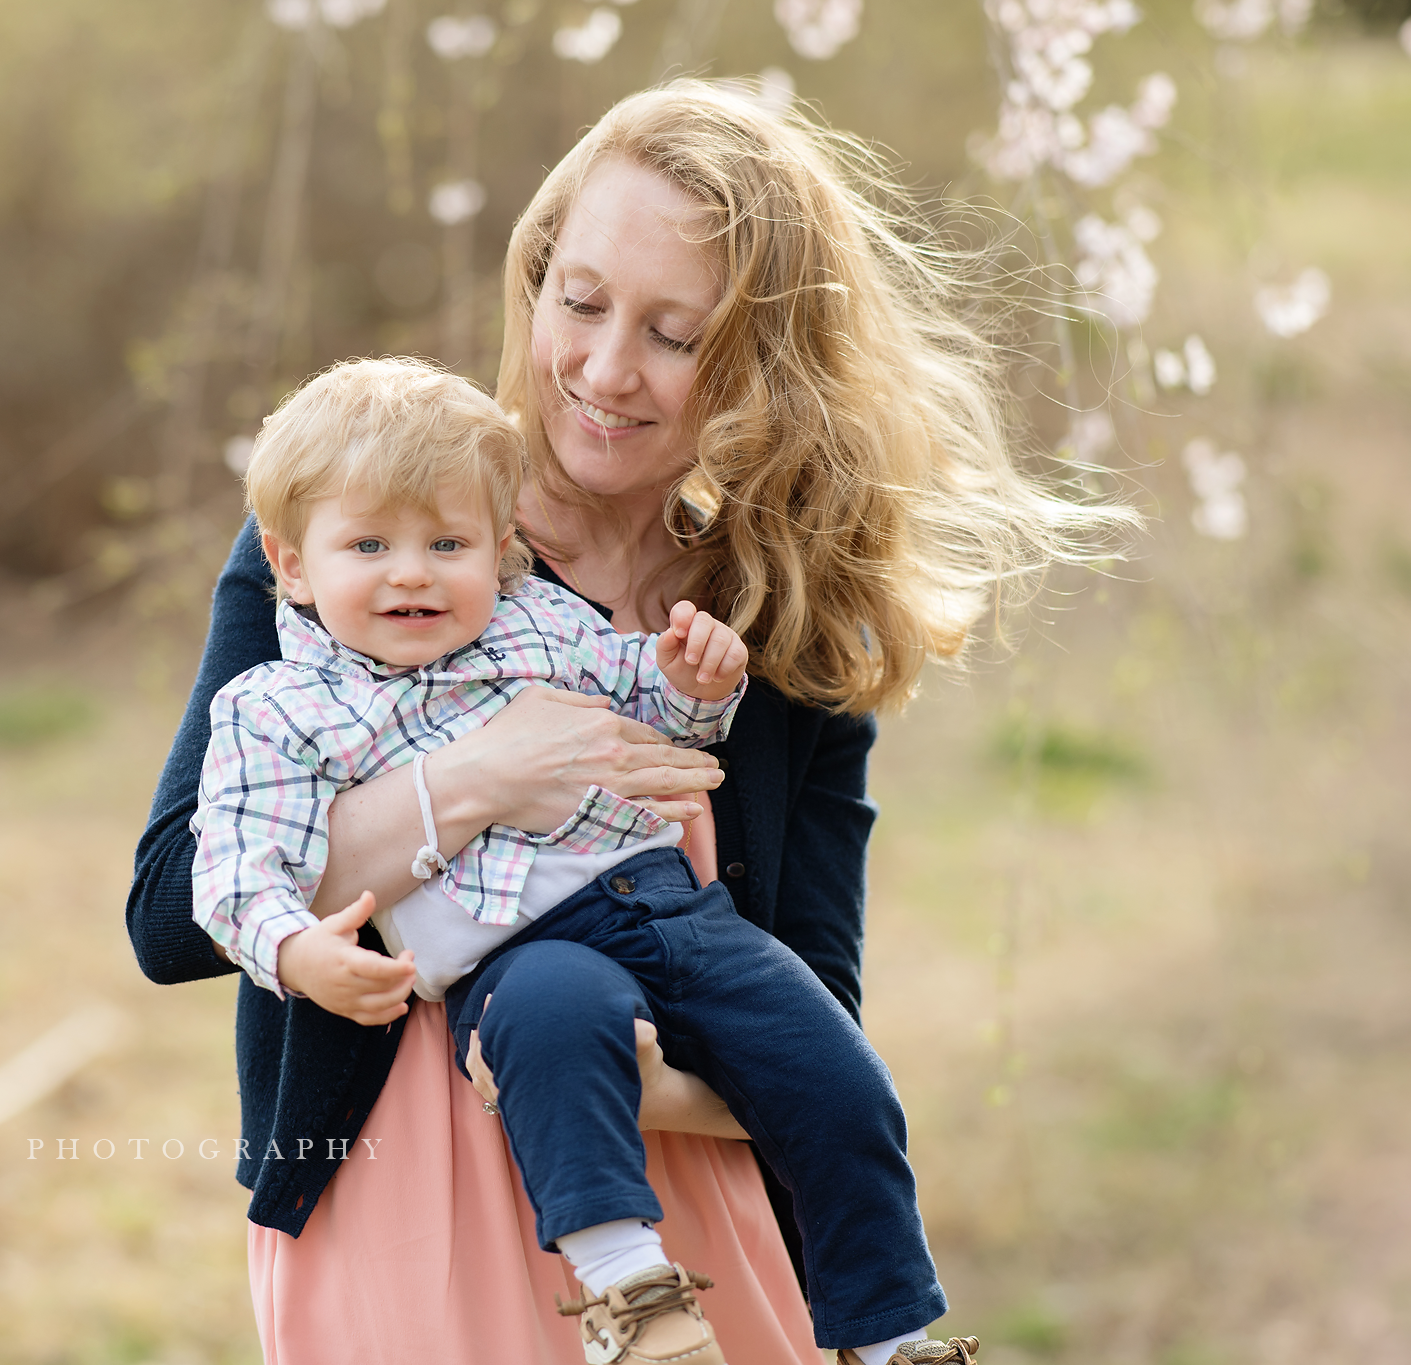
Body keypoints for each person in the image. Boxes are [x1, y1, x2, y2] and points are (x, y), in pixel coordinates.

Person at [128, 81, 1113, 1365]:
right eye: (580, 302)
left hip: (685, 1242)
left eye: (673, 334)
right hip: (394, 1214)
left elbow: (815, 1012)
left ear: (762, 360)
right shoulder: (357, 549)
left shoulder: (779, 630)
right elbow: (169, 911)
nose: (603, 369)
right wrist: (475, 779)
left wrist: (624, 1082)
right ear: (532, 284)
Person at [191, 355, 977, 1365]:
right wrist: (297, 953)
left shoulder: (542, 622)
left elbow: (651, 710)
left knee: (835, 1071)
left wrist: (695, 687)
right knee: (555, 1025)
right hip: (519, 948)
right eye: (370, 545)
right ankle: (630, 1294)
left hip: (672, 912)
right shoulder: (277, 710)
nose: (411, 571)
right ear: (291, 566)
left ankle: (890, 1336)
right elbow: (225, 874)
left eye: (446, 542)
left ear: (500, 548)